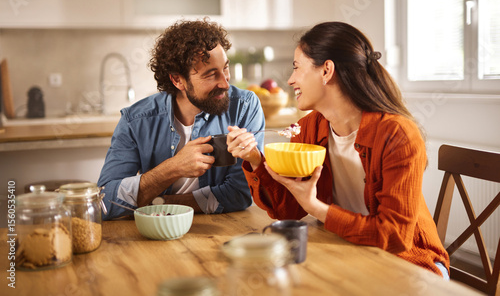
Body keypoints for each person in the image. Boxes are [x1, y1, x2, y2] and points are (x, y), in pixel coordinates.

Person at [226, 21, 450, 278]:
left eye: (296, 68)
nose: (290, 79)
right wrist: (254, 158)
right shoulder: (308, 127)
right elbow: (288, 211)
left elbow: (395, 236)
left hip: (410, 263)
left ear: (326, 70)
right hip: (351, 251)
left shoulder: (397, 134)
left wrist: (317, 208)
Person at [98, 18, 265, 220]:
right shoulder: (136, 120)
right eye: (211, 75)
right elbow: (105, 201)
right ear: (178, 80)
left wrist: (159, 203)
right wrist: (173, 168)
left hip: (219, 228)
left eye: (226, 69)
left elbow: (240, 193)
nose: (225, 83)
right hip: (153, 232)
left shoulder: (244, 107)